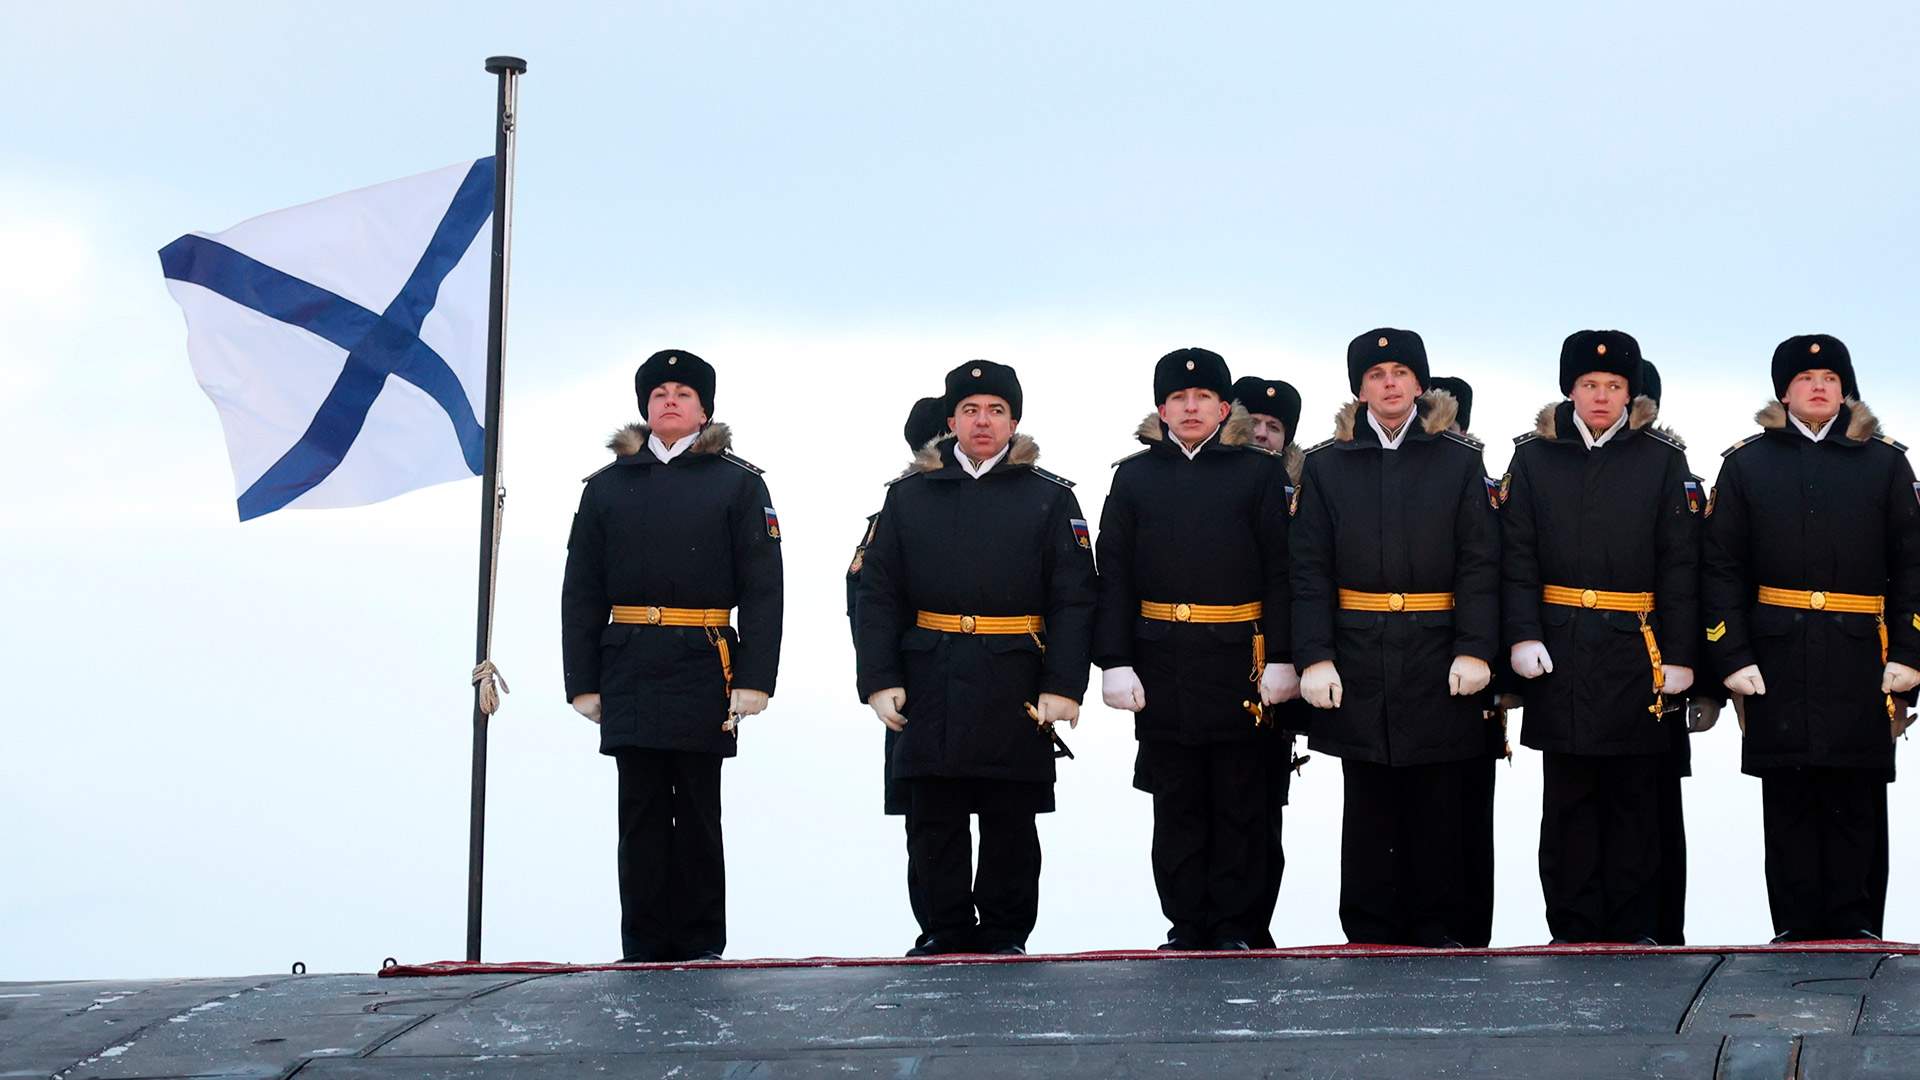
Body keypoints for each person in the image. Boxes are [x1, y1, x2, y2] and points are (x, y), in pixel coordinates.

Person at [856, 361, 1097, 955]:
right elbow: (876, 593)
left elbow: (1075, 598)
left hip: (1015, 675)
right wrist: (879, 678)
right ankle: (943, 932)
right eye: (970, 410)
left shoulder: (1051, 496)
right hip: (928, 673)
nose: (982, 421)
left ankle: (1006, 935)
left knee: (1010, 816)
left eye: (994, 410)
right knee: (933, 818)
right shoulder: (907, 497)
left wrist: (1064, 684)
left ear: (1014, 420)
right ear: (951, 421)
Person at [561, 348, 785, 962]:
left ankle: (699, 944)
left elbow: (765, 587)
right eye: (659, 392)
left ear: (704, 408)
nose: (669, 400)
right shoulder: (606, 487)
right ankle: (642, 945)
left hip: (703, 657)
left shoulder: (739, 482)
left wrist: (755, 679)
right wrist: (582, 680)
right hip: (628, 657)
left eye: (683, 393)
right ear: (644, 407)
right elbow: (581, 587)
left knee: (697, 806)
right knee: (638, 808)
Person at [1703, 334, 1920, 941]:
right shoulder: (1747, 463)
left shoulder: (1886, 462)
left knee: (1857, 797)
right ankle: (1795, 933)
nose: (1818, 386)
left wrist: (1910, 651)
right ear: (1783, 392)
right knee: (1790, 798)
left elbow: (1913, 565)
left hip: (1862, 656)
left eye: (1829, 377)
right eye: (1804, 378)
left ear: (1846, 388)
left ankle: (1858, 933)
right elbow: (1721, 567)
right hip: (1776, 655)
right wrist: (1732, 654)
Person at [1291, 329, 1500, 948]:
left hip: (1438, 649)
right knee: (1369, 796)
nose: (1389, 384)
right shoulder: (1328, 464)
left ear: (1420, 384)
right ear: (1359, 387)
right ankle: (1371, 931)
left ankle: (1438, 929)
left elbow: (1480, 562)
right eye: (1377, 373)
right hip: (1357, 652)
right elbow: (1309, 570)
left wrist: (1475, 646)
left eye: (1401, 373)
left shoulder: (1459, 460)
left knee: (1437, 796)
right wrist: (1315, 656)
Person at [1499, 332, 1699, 943]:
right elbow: (1515, 556)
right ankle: (1573, 926)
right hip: (1560, 649)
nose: (1602, 397)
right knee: (1568, 800)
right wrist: (1522, 636)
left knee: (1635, 799)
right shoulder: (1533, 458)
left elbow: (1681, 564)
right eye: (1590, 385)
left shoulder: (1661, 459)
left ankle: (1635, 928)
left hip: (1639, 650)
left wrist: (1685, 657)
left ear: (1631, 393)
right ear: (1570, 390)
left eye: (1614, 387)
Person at [1096, 348, 1297, 951]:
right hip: (1161, 661)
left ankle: (1239, 926)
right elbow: (1114, 575)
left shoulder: (1259, 474)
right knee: (1177, 801)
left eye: (1203, 397)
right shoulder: (1133, 477)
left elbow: (1283, 573)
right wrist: (1114, 660)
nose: (1190, 407)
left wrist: (1285, 656)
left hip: (1242, 661)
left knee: (1241, 799)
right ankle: (1187, 924)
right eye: (1179, 399)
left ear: (1222, 407)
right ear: (1161, 409)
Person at [1230, 373, 1307, 949]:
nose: (1261, 435)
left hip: (1270, 668)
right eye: (1252, 422)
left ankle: (1251, 924)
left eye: (1274, 427)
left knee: (1258, 805)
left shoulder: (1303, 493)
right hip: (1192, 661)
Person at [1427, 373, 1503, 949]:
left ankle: (1466, 931)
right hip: (1402, 664)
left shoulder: (1483, 485)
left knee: (1465, 813)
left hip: (1472, 673)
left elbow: (1495, 575)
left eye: (1451, 422)